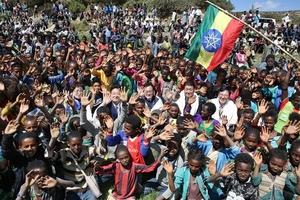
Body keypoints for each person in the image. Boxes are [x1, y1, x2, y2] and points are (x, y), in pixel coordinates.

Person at [94, 145, 167, 199]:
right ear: (118, 159)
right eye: (121, 159)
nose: (124, 160)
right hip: (117, 195)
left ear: (129, 155)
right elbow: (103, 170)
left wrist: (160, 157)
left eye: (126, 157)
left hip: (130, 196)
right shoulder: (115, 166)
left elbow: (149, 168)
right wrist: (97, 167)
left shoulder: (134, 166)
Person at [162, 148, 235, 200]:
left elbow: (210, 182)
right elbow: (173, 189)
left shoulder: (203, 172)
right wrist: (170, 174)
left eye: (197, 166)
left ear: (201, 165)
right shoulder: (183, 171)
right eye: (191, 165)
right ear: (188, 162)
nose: (193, 168)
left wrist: (218, 175)